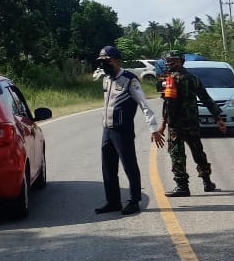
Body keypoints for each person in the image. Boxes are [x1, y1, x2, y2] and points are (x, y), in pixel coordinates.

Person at [95, 45, 164, 216]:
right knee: (108, 168)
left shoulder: (129, 80)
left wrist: (153, 128)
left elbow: (144, 105)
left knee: (129, 166)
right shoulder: (106, 79)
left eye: (107, 61)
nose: (104, 64)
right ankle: (113, 201)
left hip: (123, 131)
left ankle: (134, 201)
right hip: (107, 130)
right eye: (101, 61)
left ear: (117, 61)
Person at [157, 49, 225, 197]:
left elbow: (168, 105)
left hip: (177, 124)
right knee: (198, 152)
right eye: (168, 61)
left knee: (177, 154)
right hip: (192, 122)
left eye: (173, 61)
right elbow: (206, 99)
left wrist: (163, 124)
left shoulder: (171, 80)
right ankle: (207, 182)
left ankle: (182, 186)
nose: (169, 64)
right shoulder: (194, 78)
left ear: (181, 61)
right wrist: (218, 116)